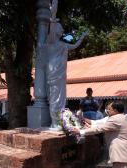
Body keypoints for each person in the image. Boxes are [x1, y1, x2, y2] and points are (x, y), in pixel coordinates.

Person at [46, 0, 87, 129]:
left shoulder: (63, 44)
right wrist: (53, 15)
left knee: (61, 98)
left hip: (61, 73)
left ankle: (60, 121)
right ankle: (55, 122)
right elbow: (51, 27)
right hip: (53, 73)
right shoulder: (51, 41)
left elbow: (75, 45)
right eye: (60, 28)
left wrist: (82, 37)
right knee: (54, 98)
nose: (62, 30)